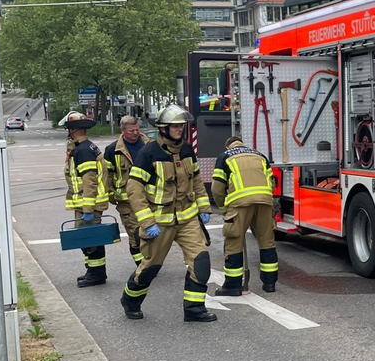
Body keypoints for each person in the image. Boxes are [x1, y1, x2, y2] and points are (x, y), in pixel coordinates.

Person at [121, 104, 217, 322]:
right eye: (175, 126)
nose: (179, 129)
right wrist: (147, 221)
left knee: (200, 262)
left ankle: (194, 309)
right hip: (159, 222)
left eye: (181, 126)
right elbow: (134, 189)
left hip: (187, 219)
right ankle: (130, 300)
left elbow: (196, 181)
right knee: (150, 268)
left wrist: (204, 207)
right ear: (163, 128)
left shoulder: (186, 150)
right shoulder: (149, 153)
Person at [211, 136, 279, 294]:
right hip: (264, 201)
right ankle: (269, 284)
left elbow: (217, 189)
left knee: (234, 242)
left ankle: (233, 285)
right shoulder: (260, 155)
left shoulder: (225, 157)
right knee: (267, 242)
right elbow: (272, 182)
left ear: (228, 146)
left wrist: (224, 209)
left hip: (239, 203)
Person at [61, 111, 111, 287]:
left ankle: (97, 274)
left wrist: (88, 210)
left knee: (91, 241)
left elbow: (89, 182)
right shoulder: (86, 147)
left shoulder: (82, 151)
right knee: (88, 240)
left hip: (88, 206)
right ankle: (92, 271)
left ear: (73, 130)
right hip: (86, 205)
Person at [103, 115, 147, 268]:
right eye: (131, 131)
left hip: (149, 197)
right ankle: (141, 266)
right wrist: (110, 195)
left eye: (137, 130)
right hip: (126, 201)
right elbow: (107, 175)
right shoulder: (112, 150)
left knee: (150, 231)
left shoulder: (149, 145)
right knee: (135, 234)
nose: (135, 133)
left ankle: (149, 262)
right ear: (122, 131)